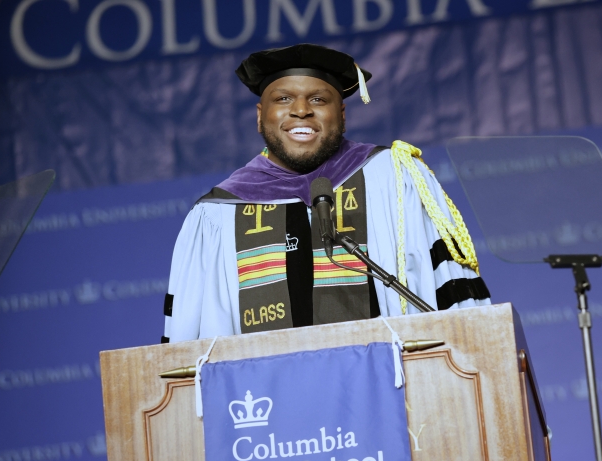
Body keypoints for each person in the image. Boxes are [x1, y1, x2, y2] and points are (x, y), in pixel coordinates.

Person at [163, 44, 490, 343]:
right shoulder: (218, 213)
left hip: (394, 390)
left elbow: (453, 294)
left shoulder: (393, 177)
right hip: (266, 402)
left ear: (343, 117)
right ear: (261, 117)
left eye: (318, 99)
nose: (301, 110)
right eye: (283, 99)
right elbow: (187, 342)